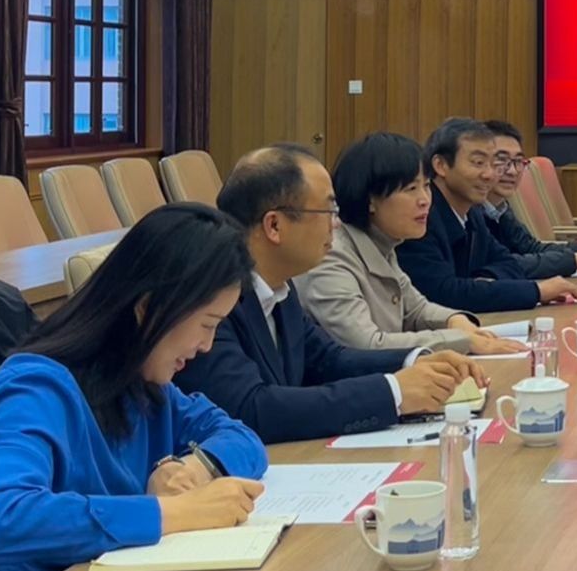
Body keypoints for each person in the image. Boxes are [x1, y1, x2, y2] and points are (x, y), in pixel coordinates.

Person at [0, 204, 268, 571]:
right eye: (207, 324)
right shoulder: (34, 391)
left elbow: (242, 438)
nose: (207, 345)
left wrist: (194, 469)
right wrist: (172, 512)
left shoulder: (147, 387)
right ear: (148, 308)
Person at [176, 145, 479, 444]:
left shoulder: (280, 286)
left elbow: (329, 360)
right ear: (274, 225)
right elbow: (251, 408)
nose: (336, 223)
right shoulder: (209, 296)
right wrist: (394, 392)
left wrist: (416, 361)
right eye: (328, 211)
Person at [298, 132, 532, 356]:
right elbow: (366, 344)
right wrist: (461, 340)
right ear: (370, 200)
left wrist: (454, 320)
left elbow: (417, 309)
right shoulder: (331, 256)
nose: (425, 200)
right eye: (411, 189)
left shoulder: (384, 243)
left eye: (426, 186)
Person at [400, 119, 577, 313]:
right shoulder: (421, 216)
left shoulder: (472, 213)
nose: (490, 174)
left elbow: (508, 264)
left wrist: (481, 282)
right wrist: (536, 291)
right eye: (478, 163)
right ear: (441, 165)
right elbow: (443, 294)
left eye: (492, 164)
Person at [468, 119, 577, 277]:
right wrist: (573, 260)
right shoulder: (470, 211)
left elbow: (531, 248)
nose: (512, 171)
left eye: (518, 161)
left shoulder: (500, 208)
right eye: (501, 160)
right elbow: (499, 264)